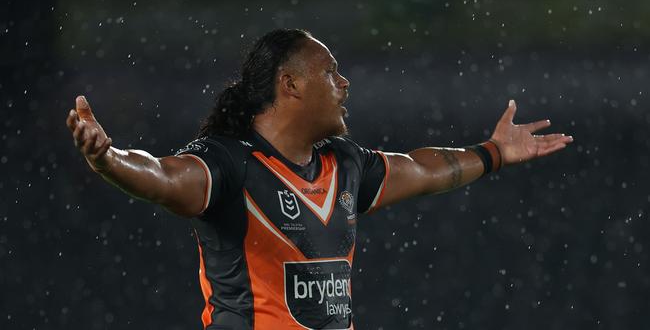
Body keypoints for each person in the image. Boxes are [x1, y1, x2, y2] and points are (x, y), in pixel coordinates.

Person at [65, 28, 573, 329]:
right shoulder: (228, 164)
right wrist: (109, 159)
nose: (345, 83)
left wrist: (493, 153)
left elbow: (423, 169)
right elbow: (160, 176)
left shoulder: (345, 166)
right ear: (289, 84)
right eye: (331, 73)